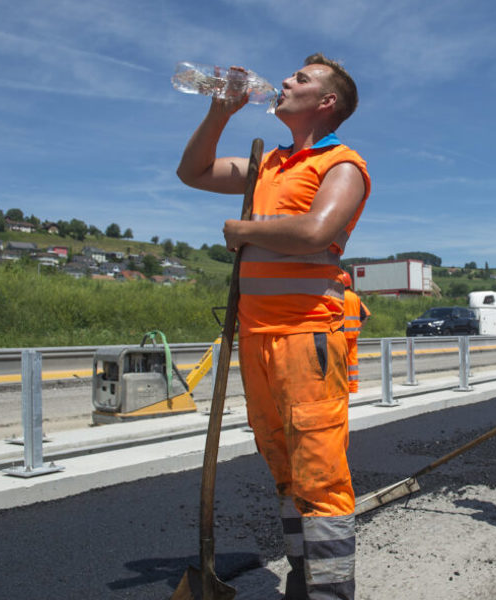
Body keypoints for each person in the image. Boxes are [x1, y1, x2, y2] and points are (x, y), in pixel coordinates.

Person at [177, 53, 369, 600]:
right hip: (257, 338)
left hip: (309, 337)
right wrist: (220, 113)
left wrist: (243, 229)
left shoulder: (341, 165)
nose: (284, 81)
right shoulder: (266, 165)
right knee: (284, 467)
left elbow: (317, 231)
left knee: (320, 473)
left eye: (301, 79)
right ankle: (303, 579)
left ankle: (331, 593)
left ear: (326, 103)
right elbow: (192, 172)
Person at [339, 271, 370, 393]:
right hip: (353, 335)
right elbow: (366, 315)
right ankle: (353, 387)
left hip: (339, 335)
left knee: (339, 361)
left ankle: (341, 387)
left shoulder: (337, 296)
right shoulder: (355, 297)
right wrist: (358, 329)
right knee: (352, 361)